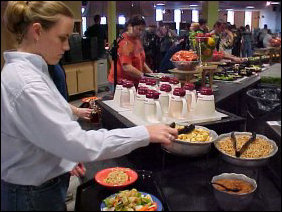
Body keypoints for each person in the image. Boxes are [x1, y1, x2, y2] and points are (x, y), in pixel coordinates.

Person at [1, 2, 178, 211]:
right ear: (37, 31)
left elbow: (45, 129)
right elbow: (79, 143)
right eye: (62, 37)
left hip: (39, 184)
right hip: (31, 194)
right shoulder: (26, 82)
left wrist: (64, 156)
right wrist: (144, 133)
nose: (67, 46)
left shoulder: (32, 71)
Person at [108, 15, 154, 88]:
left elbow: (141, 60)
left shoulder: (136, 39)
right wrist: (143, 76)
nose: (140, 33)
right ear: (130, 26)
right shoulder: (125, 42)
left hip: (133, 80)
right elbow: (127, 67)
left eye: (142, 30)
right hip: (121, 83)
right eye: (138, 29)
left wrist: (152, 74)